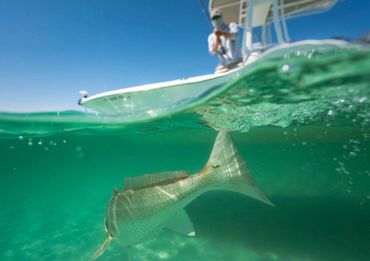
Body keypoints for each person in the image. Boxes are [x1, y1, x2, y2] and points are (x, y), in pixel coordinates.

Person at [208, 9, 243, 73]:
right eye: (214, 18)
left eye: (218, 17)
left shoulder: (231, 26)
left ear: (221, 17)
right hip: (224, 66)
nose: (216, 20)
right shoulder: (211, 36)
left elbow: (235, 36)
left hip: (237, 61)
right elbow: (213, 52)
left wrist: (222, 33)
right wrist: (217, 42)